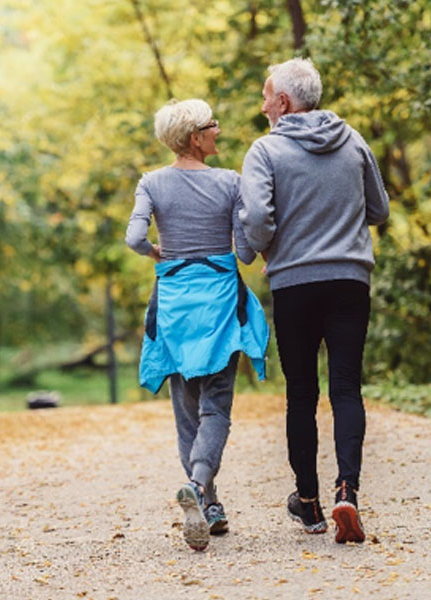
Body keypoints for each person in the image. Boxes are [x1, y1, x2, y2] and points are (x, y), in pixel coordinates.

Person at [239, 58, 390, 544]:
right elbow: (379, 209)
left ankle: (308, 504)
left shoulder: (265, 150)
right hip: (350, 280)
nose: (263, 105)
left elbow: (258, 218)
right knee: (346, 388)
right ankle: (348, 489)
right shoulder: (354, 140)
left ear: (283, 102)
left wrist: (268, 248)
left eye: (266, 96)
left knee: (301, 393)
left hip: (295, 285)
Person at [126, 99, 269, 552]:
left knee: (186, 409)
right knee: (217, 406)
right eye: (211, 125)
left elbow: (133, 238)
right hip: (220, 304)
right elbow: (245, 253)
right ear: (195, 137)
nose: (218, 129)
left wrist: (157, 254)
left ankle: (207, 502)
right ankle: (200, 482)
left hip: (173, 305)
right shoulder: (230, 183)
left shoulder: (151, 183)